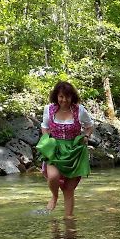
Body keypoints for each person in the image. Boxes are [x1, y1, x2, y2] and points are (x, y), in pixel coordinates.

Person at [36, 81, 94, 218]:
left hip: (74, 151)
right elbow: (44, 126)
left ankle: (69, 221)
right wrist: (47, 139)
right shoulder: (48, 109)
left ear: (72, 97)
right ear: (56, 96)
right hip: (54, 149)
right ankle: (54, 197)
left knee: (69, 189)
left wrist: (86, 136)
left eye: (67, 97)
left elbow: (90, 125)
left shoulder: (79, 110)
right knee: (53, 176)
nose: (64, 100)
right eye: (61, 96)